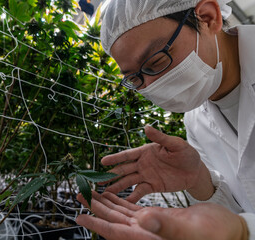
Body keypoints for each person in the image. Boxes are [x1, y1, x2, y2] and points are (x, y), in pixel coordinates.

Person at [75, 0, 255, 239]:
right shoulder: (195, 123)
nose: (151, 85)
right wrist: (199, 180)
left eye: (156, 61)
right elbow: (240, 213)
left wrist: (244, 231)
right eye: (135, 79)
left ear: (208, 17)